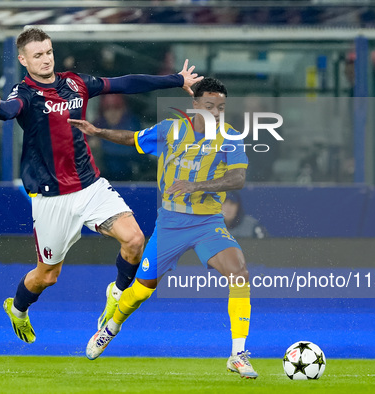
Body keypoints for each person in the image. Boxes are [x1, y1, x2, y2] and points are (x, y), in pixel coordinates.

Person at [0, 27, 202, 345]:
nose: (46, 59)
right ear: (23, 60)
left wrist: (176, 79)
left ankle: (116, 294)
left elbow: (124, 83)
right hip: (52, 198)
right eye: (37, 55)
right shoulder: (23, 93)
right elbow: (10, 111)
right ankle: (19, 309)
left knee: (134, 240)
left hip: (89, 186)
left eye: (48, 52)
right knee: (47, 276)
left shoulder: (75, 84)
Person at [69, 77, 258, 379]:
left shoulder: (231, 138)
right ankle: (111, 328)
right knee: (141, 292)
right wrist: (98, 131)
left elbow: (238, 179)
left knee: (239, 273)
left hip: (208, 223)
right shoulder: (172, 130)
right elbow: (132, 138)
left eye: (221, 107)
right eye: (209, 106)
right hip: (170, 223)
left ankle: (237, 354)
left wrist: (197, 185)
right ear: (195, 105)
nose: (216, 112)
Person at [92, 95, 153, 181]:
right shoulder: (96, 126)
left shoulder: (133, 124)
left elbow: (132, 150)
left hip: (131, 178)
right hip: (104, 179)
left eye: (116, 108)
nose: (112, 113)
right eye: (107, 109)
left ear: (123, 109)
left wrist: (101, 144)